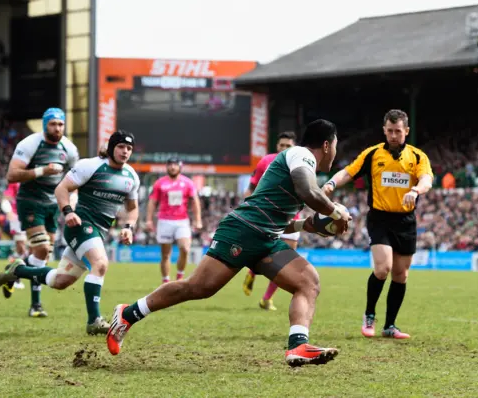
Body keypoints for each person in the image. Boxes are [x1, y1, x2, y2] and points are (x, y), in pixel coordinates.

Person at [107, 119, 352, 367]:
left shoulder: (303, 165)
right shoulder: (301, 154)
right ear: (326, 144)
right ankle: (127, 314)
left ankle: (298, 346)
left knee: (308, 282)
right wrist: (335, 212)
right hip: (242, 231)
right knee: (198, 288)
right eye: (335, 144)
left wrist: (304, 225)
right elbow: (307, 192)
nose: (335, 150)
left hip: (266, 237)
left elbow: (277, 216)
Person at [0, 131, 139, 335]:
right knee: (100, 264)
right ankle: (94, 320)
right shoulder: (90, 165)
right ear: (111, 148)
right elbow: (62, 189)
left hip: (99, 231)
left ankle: (18, 271)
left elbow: (132, 208)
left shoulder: (131, 176)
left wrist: (129, 227)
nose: (125, 152)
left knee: (59, 281)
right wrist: (68, 211)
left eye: (129, 148)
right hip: (80, 225)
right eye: (121, 147)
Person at [322, 109, 433, 339]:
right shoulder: (372, 154)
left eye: (398, 131)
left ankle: (390, 326)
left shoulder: (418, 157)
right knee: (383, 268)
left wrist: (416, 189)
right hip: (380, 218)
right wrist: (332, 183)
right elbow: (348, 172)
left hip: (406, 220)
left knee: (401, 275)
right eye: (390, 131)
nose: (393, 135)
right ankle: (369, 315)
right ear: (384, 130)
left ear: (407, 131)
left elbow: (427, 179)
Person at [4, 107, 79, 317]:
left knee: (43, 255)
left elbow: (75, 179)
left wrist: (71, 201)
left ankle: (15, 271)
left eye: (61, 124)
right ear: (45, 124)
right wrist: (41, 170)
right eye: (53, 124)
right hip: (30, 201)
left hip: (53, 204)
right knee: (42, 249)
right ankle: (35, 305)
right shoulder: (30, 144)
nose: (57, 128)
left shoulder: (70, 149)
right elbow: (11, 175)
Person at [242, 131, 299, 311]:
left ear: (294, 147)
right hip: (267, 216)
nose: (283, 148)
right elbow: (251, 188)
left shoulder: (300, 164)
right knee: (264, 255)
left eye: (287, 146)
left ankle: (266, 299)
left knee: (283, 262)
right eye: (281, 145)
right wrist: (249, 209)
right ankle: (253, 271)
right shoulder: (266, 161)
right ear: (277, 146)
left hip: (291, 217)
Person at [145, 157, 202, 284]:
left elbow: (195, 201)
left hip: (182, 221)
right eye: (170, 165)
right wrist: (149, 220)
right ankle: (165, 282)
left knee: (185, 248)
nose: (172, 167)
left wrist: (198, 220)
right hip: (164, 221)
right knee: (165, 254)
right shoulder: (160, 183)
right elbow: (152, 202)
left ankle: (179, 277)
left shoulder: (188, 183)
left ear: (180, 167)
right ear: (167, 167)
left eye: (175, 165)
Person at [0, 181, 26, 291]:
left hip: (35, 216)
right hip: (17, 218)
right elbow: (5, 199)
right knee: (21, 247)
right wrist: (9, 212)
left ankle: (11, 271)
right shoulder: (16, 182)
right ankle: (15, 277)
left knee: (28, 250)